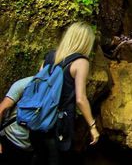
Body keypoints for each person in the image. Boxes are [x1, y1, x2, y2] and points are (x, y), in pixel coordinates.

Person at [31, 22, 100, 165]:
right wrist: (92, 126)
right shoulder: (81, 62)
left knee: (39, 157)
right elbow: (81, 99)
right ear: (86, 41)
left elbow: (37, 84)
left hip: (38, 117)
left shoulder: (50, 56)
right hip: (58, 123)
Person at [0, 77, 34, 164]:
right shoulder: (25, 83)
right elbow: (1, 109)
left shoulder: (57, 90)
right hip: (9, 139)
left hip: (31, 148)